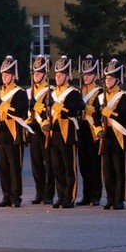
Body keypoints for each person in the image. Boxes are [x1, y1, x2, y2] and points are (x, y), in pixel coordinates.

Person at [42, 56, 84, 209]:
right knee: (57, 168)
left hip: (68, 134)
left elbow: (72, 112)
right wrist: (45, 124)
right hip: (54, 134)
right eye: (57, 74)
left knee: (69, 168)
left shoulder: (73, 93)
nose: (58, 77)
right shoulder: (52, 94)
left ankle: (69, 197)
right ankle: (60, 196)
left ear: (67, 76)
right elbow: (45, 114)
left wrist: (56, 105)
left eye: (61, 75)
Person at [0, 55, 28, 208]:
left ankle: (16, 196)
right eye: (3, 74)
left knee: (14, 167)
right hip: (1, 133)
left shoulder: (20, 93)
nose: (4, 77)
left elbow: (20, 111)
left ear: (13, 76)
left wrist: (2, 105)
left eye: (7, 74)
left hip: (14, 132)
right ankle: (6, 196)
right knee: (3, 167)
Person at [96, 59, 126, 210]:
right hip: (106, 136)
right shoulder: (101, 97)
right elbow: (96, 118)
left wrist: (109, 112)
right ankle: (110, 198)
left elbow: (125, 116)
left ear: (117, 80)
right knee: (107, 170)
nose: (107, 81)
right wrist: (99, 130)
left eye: (110, 78)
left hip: (119, 135)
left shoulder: (123, 97)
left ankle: (119, 199)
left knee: (119, 169)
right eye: (106, 78)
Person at [26, 55, 55, 205]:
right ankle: (39, 192)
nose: (35, 76)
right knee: (36, 163)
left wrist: (35, 105)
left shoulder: (50, 90)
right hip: (33, 130)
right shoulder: (29, 92)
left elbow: (48, 111)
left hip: (46, 130)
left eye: (38, 73)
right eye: (34, 73)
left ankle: (49, 194)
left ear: (45, 74)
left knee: (49, 163)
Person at [76, 55, 103, 206]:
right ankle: (86, 195)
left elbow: (99, 111)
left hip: (93, 129)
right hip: (81, 129)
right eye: (85, 74)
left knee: (94, 164)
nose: (86, 77)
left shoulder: (99, 92)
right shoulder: (80, 92)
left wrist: (85, 107)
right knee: (83, 164)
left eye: (89, 74)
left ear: (96, 76)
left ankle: (96, 195)